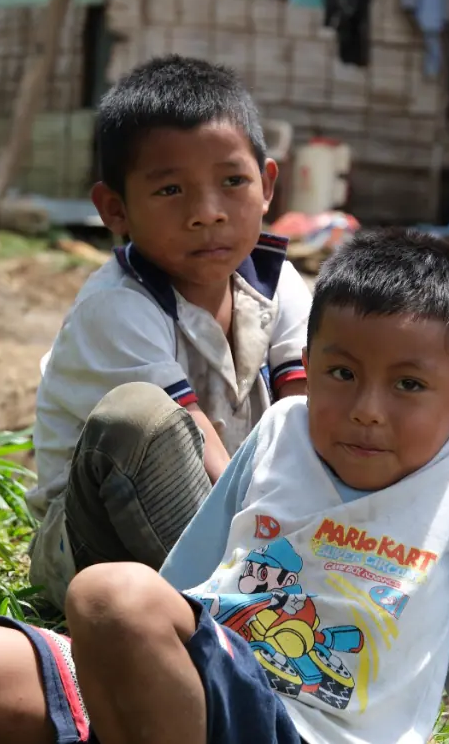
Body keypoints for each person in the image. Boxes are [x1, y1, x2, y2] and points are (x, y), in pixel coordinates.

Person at [0, 228, 449, 744]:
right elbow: (187, 582)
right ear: (309, 364)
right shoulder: (284, 428)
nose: (368, 407)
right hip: (198, 696)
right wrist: (127, 675)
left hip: (309, 729)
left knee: (107, 591)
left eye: (409, 384)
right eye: (341, 373)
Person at [28, 54, 311, 610]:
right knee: (142, 417)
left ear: (268, 184)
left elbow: (305, 412)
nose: (207, 213)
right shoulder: (116, 307)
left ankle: (256, 607)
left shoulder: (278, 284)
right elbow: (198, 441)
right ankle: (247, 621)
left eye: (233, 181)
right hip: (97, 551)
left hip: (239, 534)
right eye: (170, 191)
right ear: (115, 208)